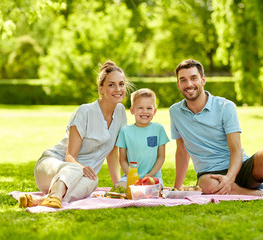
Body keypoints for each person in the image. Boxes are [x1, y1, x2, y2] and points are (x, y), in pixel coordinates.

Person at [169, 59, 263, 202]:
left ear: (203, 80)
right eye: (183, 80)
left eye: (194, 78)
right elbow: (182, 151)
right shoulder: (175, 112)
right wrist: (176, 189)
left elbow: (236, 150)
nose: (189, 84)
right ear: (178, 84)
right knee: (206, 184)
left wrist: (229, 178)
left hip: (240, 167)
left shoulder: (225, 107)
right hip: (210, 175)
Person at [18, 60, 131, 208]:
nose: (118, 89)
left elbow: (112, 152)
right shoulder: (85, 112)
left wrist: (118, 186)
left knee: (93, 181)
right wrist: (82, 168)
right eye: (111, 85)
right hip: (51, 167)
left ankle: (45, 199)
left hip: (79, 178)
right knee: (76, 168)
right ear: (101, 89)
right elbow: (69, 157)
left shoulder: (121, 112)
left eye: (121, 84)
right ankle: (55, 194)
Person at [115, 88, 169, 189]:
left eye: (149, 108)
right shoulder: (125, 132)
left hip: (153, 176)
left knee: (153, 188)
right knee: (119, 187)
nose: (145, 112)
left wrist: (150, 175)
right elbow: (122, 160)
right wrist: (132, 176)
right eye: (140, 108)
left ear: (154, 111)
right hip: (130, 176)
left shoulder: (159, 129)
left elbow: (161, 157)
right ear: (132, 110)